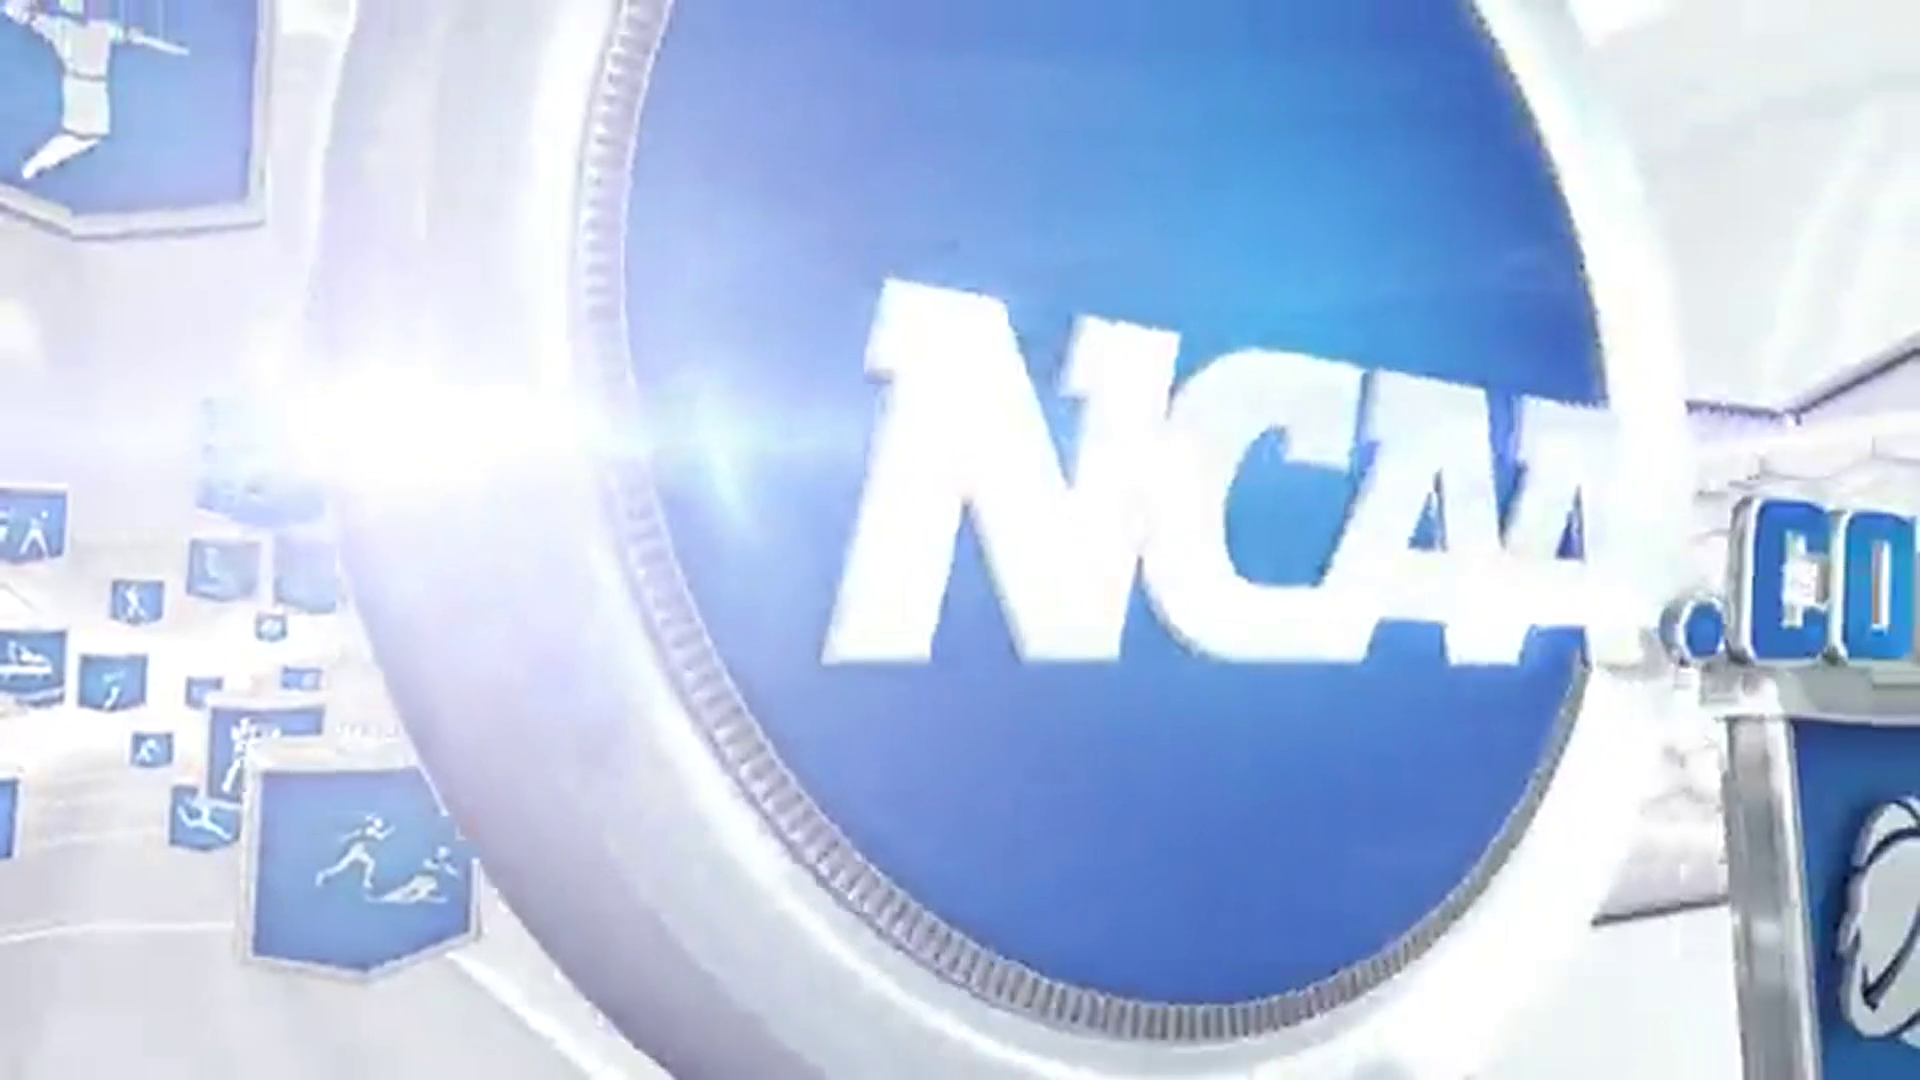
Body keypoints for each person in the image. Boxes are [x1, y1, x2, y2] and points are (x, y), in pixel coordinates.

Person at [2, 0, 187, 180]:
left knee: (89, 135)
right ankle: (38, 162)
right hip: (80, 85)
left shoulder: (94, 28)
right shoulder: (63, 28)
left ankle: (40, 162)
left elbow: (129, 36)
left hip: (94, 86)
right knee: (80, 133)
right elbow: (30, 18)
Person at [312, 813, 393, 890]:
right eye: (380, 823)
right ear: (375, 823)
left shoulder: (364, 828)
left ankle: (366, 881)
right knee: (339, 868)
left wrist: (345, 837)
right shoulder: (370, 830)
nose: (381, 824)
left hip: (360, 851)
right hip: (354, 852)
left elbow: (354, 833)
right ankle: (322, 874)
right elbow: (380, 837)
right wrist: (390, 830)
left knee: (371, 862)